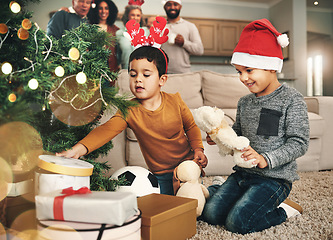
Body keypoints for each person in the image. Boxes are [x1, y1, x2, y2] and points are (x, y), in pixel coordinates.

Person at [201, 19, 310, 234]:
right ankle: (220, 188)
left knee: (238, 223)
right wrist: (221, 137)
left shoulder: (292, 99)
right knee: (210, 214)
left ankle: (285, 210)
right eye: (239, 71)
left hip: (274, 180)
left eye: (249, 70)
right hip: (243, 175)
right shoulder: (245, 102)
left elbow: (299, 143)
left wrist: (265, 159)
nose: (243, 78)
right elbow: (239, 134)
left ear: (271, 66)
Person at [56, 45, 208, 195]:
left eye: (146, 75)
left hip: (187, 168)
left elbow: (191, 127)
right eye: (133, 74)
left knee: (193, 204)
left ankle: (210, 189)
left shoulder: (175, 101)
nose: (138, 80)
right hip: (159, 176)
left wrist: (198, 150)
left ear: (162, 79)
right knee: (163, 207)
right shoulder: (129, 109)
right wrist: (76, 150)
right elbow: (105, 131)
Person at [161, 0, 204, 74]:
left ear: (180, 7)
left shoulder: (190, 26)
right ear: (164, 7)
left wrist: (184, 43)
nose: (172, 7)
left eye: (175, 4)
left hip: (183, 73)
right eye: (169, 5)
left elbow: (200, 50)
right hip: (162, 72)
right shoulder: (160, 27)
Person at [87, 0, 119, 72]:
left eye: (106, 8)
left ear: (110, 10)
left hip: (110, 68)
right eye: (100, 8)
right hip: (93, 67)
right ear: (96, 10)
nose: (103, 11)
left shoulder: (116, 30)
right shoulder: (89, 28)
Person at [116, 4, 148, 69]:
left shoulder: (146, 32)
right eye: (132, 15)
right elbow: (117, 55)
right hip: (125, 70)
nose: (135, 18)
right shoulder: (119, 33)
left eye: (138, 15)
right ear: (127, 16)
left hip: (143, 70)